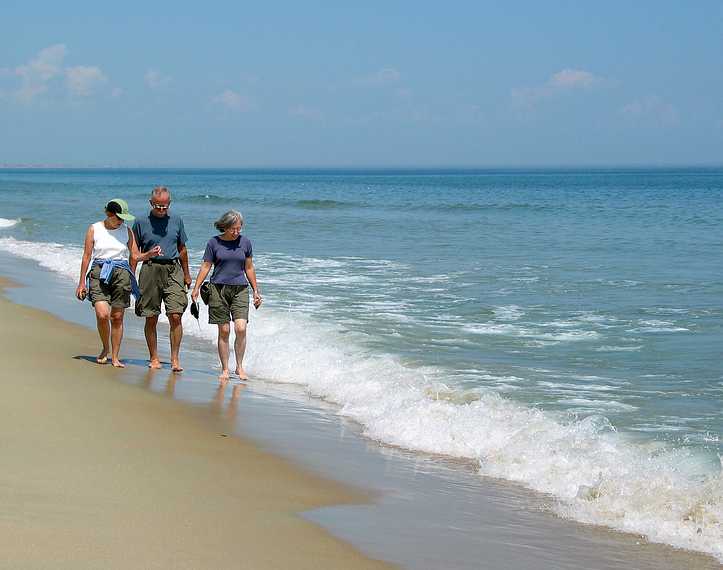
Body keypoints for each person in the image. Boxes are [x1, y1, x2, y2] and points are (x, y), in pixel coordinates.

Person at [191, 210, 262, 380]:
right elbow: (206, 266)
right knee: (224, 330)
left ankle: (239, 367)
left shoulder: (245, 243)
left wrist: (256, 290)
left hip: (240, 289)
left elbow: (249, 268)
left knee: (241, 328)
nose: (236, 232)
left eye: (239, 228)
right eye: (233, 229)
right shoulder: (213, 243)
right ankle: (225, 369)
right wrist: (196, 287)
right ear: (225, 226)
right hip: (218, 289)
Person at [132, 186, 192, 372]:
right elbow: (134, 253)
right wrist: (131, 276)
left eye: (165, 206)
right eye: (158, 206)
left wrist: (187, 274)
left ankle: (175, 359)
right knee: (151, 317)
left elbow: (182, 249)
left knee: (176, 315)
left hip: (174, 268)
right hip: (150, 269)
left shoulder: (177, 220)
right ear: (151, 203)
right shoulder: (140, 222)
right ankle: (154, 357)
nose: (161, 209)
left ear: (169, 204)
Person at [75, 199, 141, 368]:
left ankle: (116, 356)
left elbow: (135, 255)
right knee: (102, 314)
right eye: (119, 217)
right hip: (99, 272)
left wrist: (149, 254)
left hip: (121, 273)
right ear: (109, 214)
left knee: (117, 317)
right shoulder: (94, 229)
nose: (121, 221)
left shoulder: (127, 231)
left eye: (123, 218)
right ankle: (105, 347)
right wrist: (82, 282)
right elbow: (86, 256)